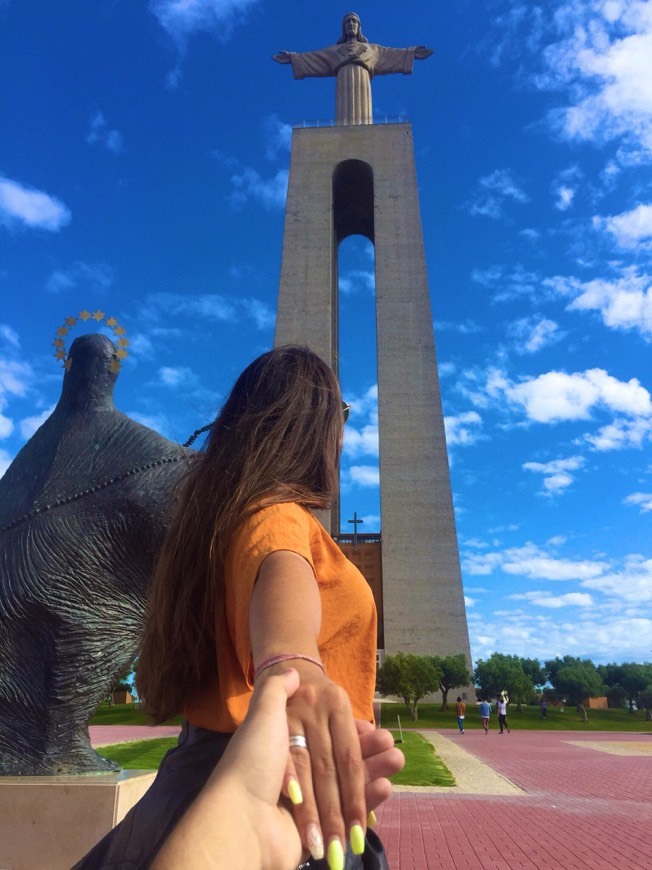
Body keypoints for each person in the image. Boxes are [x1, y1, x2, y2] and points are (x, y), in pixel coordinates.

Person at [75, 346, 392, 870]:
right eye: (344, 415)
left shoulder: (217, 524)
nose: (344, 434)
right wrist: (293, 666)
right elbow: (281, 571)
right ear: (315, 425)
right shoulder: (278, 516)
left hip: (194, 790)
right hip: (274, 796)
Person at [153, 668, 404, 870]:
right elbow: (290, 654)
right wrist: (304, 673)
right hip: (267, 778)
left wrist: (241, 826)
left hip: (188, 796)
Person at [273, 12, 433, 125]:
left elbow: (392, 53)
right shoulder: (333, 51)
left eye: (353, 22)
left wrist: (412, 53)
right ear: (344, 27)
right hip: (343, 81)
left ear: (359, 26)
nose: (351, 24)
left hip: (363, 81)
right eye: (347, 22)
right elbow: (313, 57)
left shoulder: (372, 49)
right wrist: (293, 58)